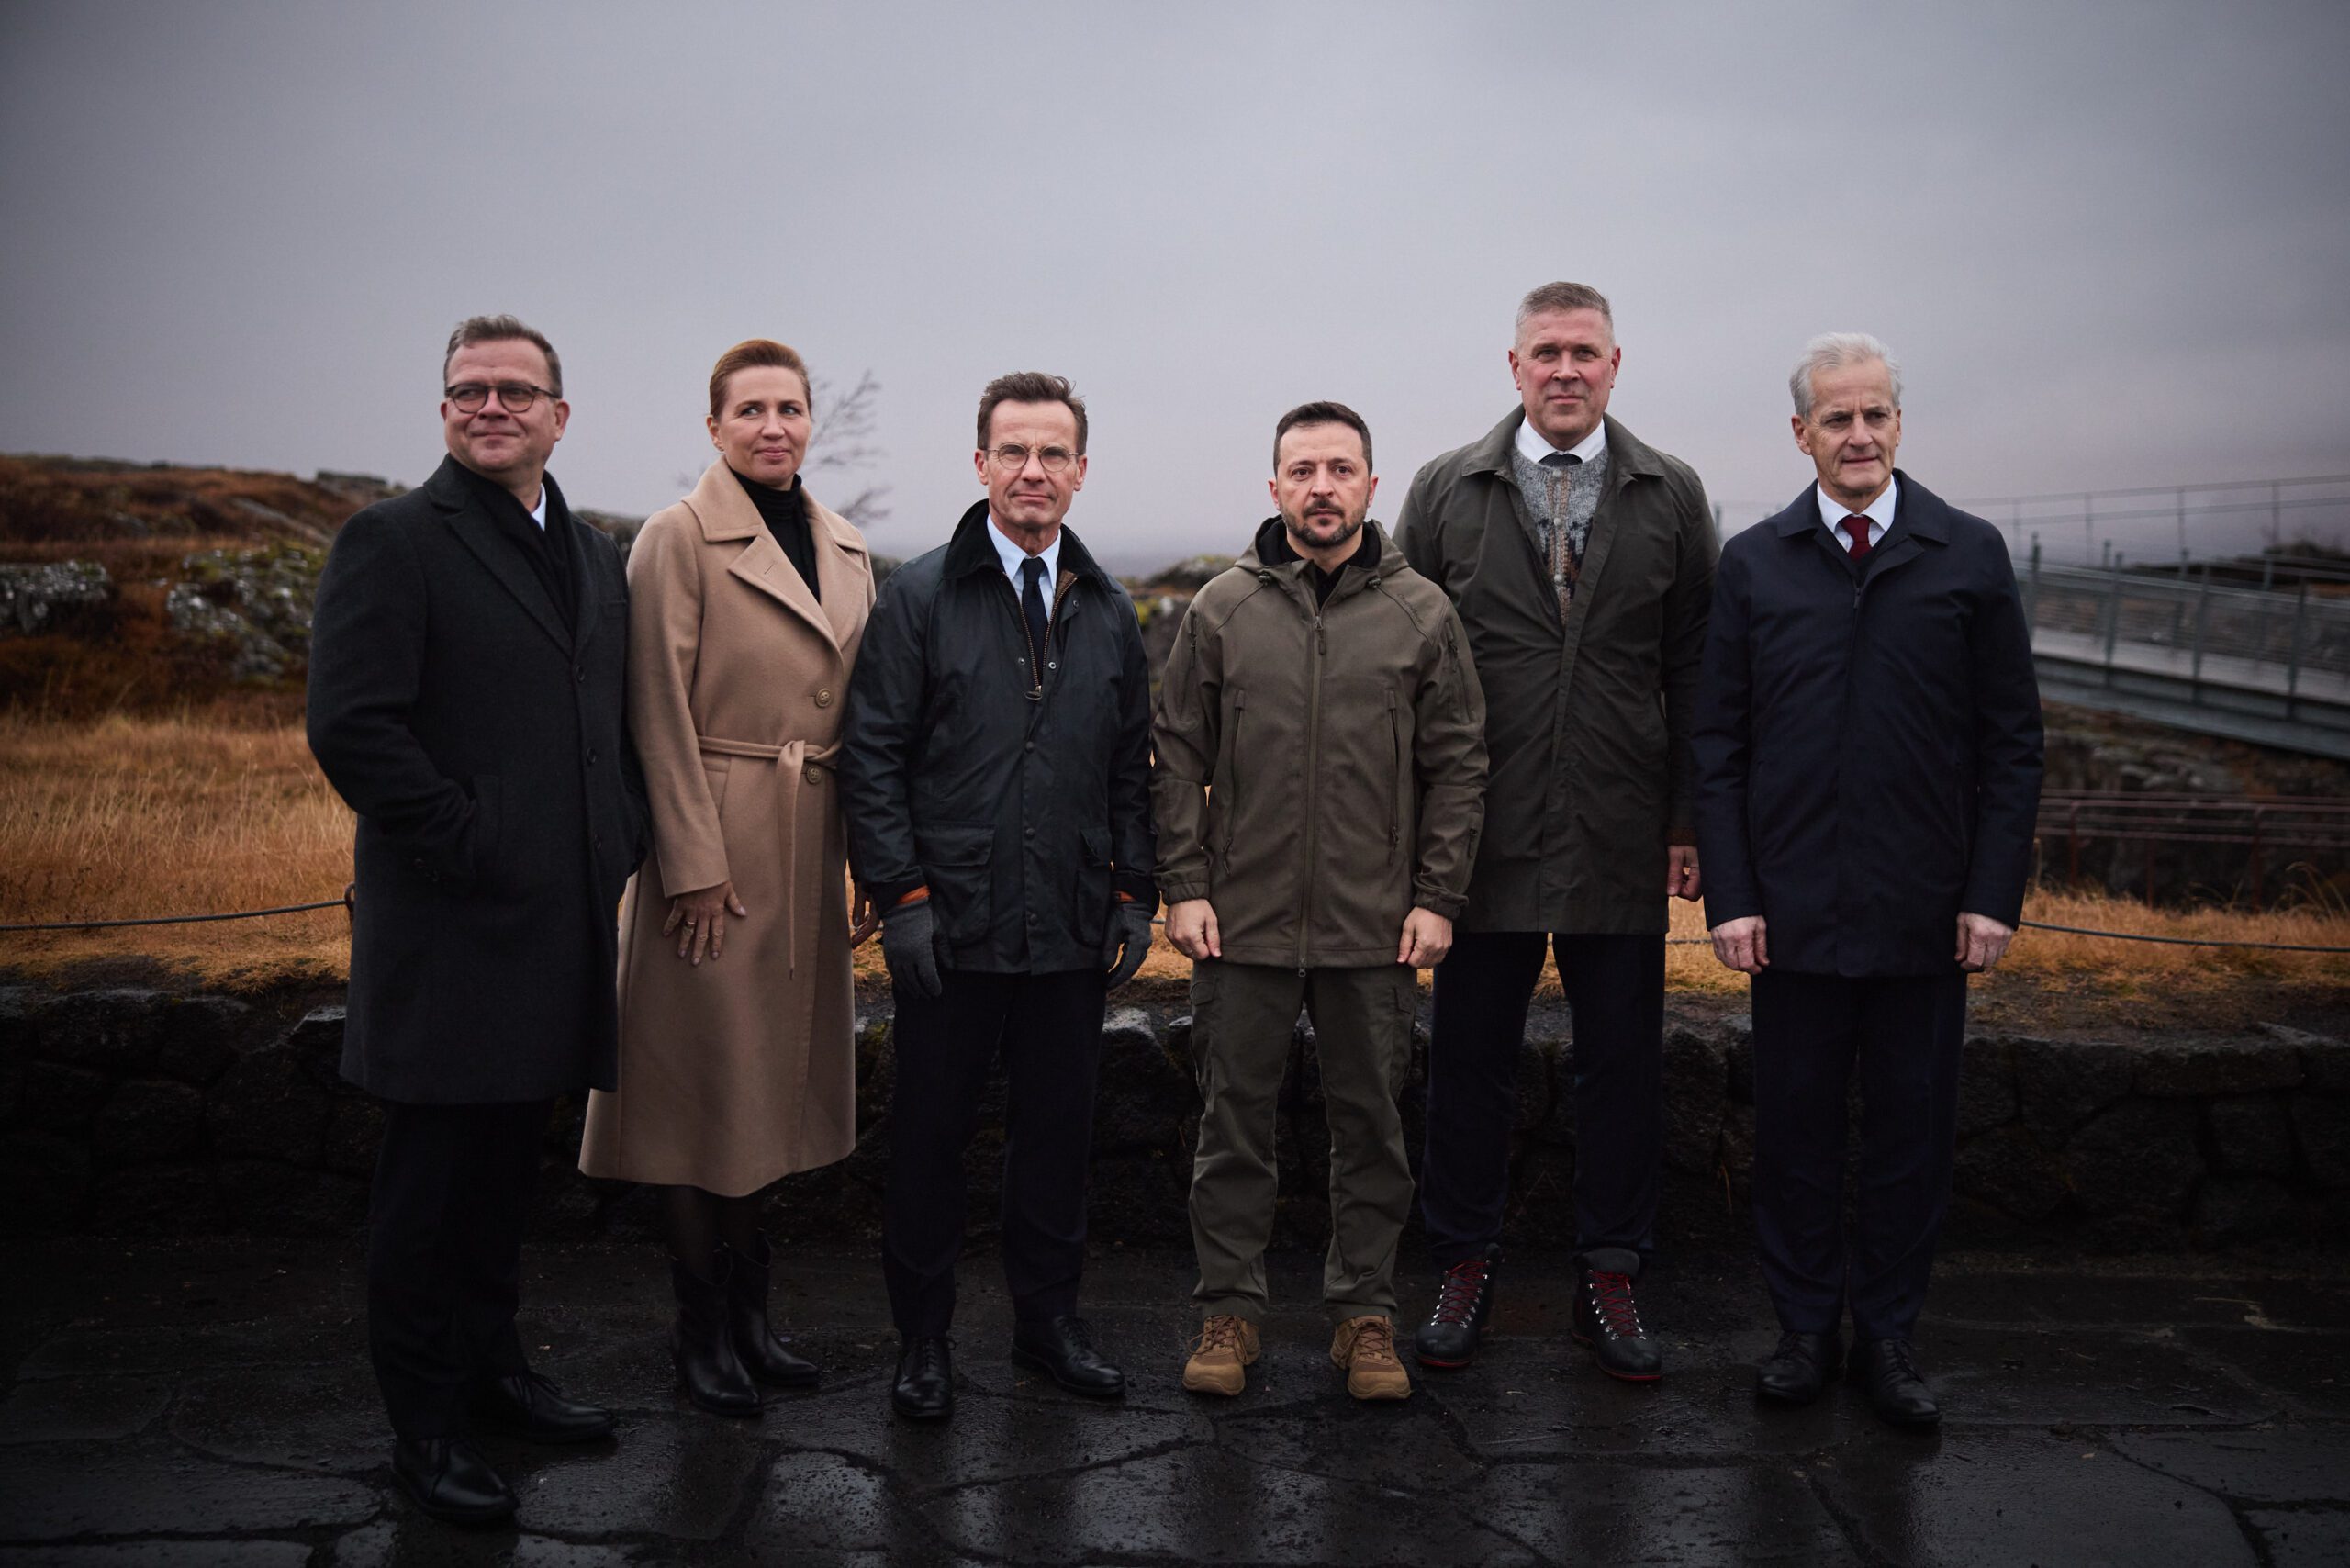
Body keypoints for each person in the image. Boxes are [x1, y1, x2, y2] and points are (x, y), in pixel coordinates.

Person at [308, 315, 645, 1526]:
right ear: (445, 410)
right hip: (450, 928)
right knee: (431, 1189)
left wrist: (627, 840)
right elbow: (352, 726)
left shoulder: (599, 554)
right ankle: (427, 1428)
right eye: (467, 391)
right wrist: (473, 839)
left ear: (561, 412)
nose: (488, 406)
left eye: (514, 390)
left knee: (508, 1173)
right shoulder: (393, 540)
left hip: (559, 926)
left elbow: (607, 723)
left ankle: (496, 1375)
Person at [1692, 333, 2042, 1426]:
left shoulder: (1968, 554)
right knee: (1793, 1131)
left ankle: (1888, 1339)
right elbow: (1718, 744)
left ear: (1899, 424)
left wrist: (1991, 893)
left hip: (1925, 916)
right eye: (1835, 419)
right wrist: (1733, 895)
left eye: (1875, 415)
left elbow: (2011, 743)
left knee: (1907, 1135)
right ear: (1800, 435)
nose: (1858, 436)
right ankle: (1803, 1332)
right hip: (1787, 918)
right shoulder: (1751, 562)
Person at [1393, 281, 1717, 1381]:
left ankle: (1612, 1269)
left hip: (1621, 826)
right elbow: (1404, 670)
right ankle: (1463, 1259)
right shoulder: (1445, 489)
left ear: (1616, 364)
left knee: (1621, 1062)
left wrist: (1686, 820)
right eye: (1547, 352)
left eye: (1585, 351)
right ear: (1514, 365)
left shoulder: (1671, 493)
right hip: (1476, 831)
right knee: (1468, 1059)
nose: (1565, 369)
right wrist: (1416, 832)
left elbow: (1694, 670)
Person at [839, 371, 1158, 1421]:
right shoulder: (921, 596)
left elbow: (1127, 768)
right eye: (1012, 451)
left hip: (1068, 926)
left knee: (1057, 1139)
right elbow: (873, 757)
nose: (1033, 470)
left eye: (1052, 453)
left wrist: (1130, 891)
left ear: (1079, 470)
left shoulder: (1108, 609)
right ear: (980, 464)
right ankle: (922, 1342)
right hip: (951, 926)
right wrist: (903, 897)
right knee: (928, 1139)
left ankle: (1046, 1325)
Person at [1154, 402, 1487, 1402]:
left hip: (1375, 923)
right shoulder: (1220, 607)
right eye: (1302, 469)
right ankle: (1229, 1312)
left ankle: (1365, 1318)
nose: (1321, 486)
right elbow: (1174, 752)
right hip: (1241, 920)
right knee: (1231, 1125)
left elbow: (1460, 763)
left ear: (1371, 486)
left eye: (1340, 468)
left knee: (1373, 1127)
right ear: (1274, 488)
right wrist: (1184, 883)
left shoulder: (1421, 611)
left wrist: (1438, 897)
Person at [579, 339, 876, 1416]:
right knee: (700, 1097)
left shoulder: (843, 542)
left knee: (768, 1101)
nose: (772, 426)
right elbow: (651, 705)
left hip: (808, 847)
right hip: (712, 852)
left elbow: (855, 718)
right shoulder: (675, 538)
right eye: (748, 409)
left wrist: (863, 863)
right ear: (713, 427)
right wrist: (689, 867)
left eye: (789, 408)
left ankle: (753, 1323)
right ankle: (700, 1335)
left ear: (809, 421)